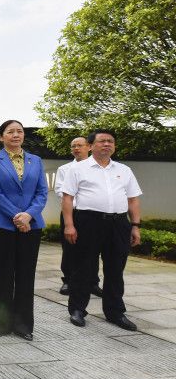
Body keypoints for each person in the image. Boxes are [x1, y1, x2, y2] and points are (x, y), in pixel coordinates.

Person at [62, 129, 142, 331]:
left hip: (118, 223)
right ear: (91, 146)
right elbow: (67, 198)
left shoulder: (124, 170)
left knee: (116, 268)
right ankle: (78, 309)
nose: (107, 144)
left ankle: (115, 311)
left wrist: (135, 226)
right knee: (84, 267)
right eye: (102, 141)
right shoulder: (78, 169)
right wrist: (69, 225)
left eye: (110, 141)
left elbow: (133, 199)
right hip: (88, 221)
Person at [0, 120, 48, 341]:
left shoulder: (36, 160)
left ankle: (23, 324)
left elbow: (42, 193)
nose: (15, 135)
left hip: (31, 225)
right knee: (1, 275)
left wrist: (28, 215)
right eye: (10, 132)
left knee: (25, 275)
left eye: (19, 131)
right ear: (1, 137)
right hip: (2, 224)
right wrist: (16, 215)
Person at [54, 137, 101, 296]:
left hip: (93, 213)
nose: (76, 148)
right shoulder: (64, 169)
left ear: (89, 147)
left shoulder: (98, 168)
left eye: (79, 145)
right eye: (73, 146)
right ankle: (68, 280)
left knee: (93, 248)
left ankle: (93, 282)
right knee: (69, 248)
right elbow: (60, 191)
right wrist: (80, 196)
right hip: (71, 212)